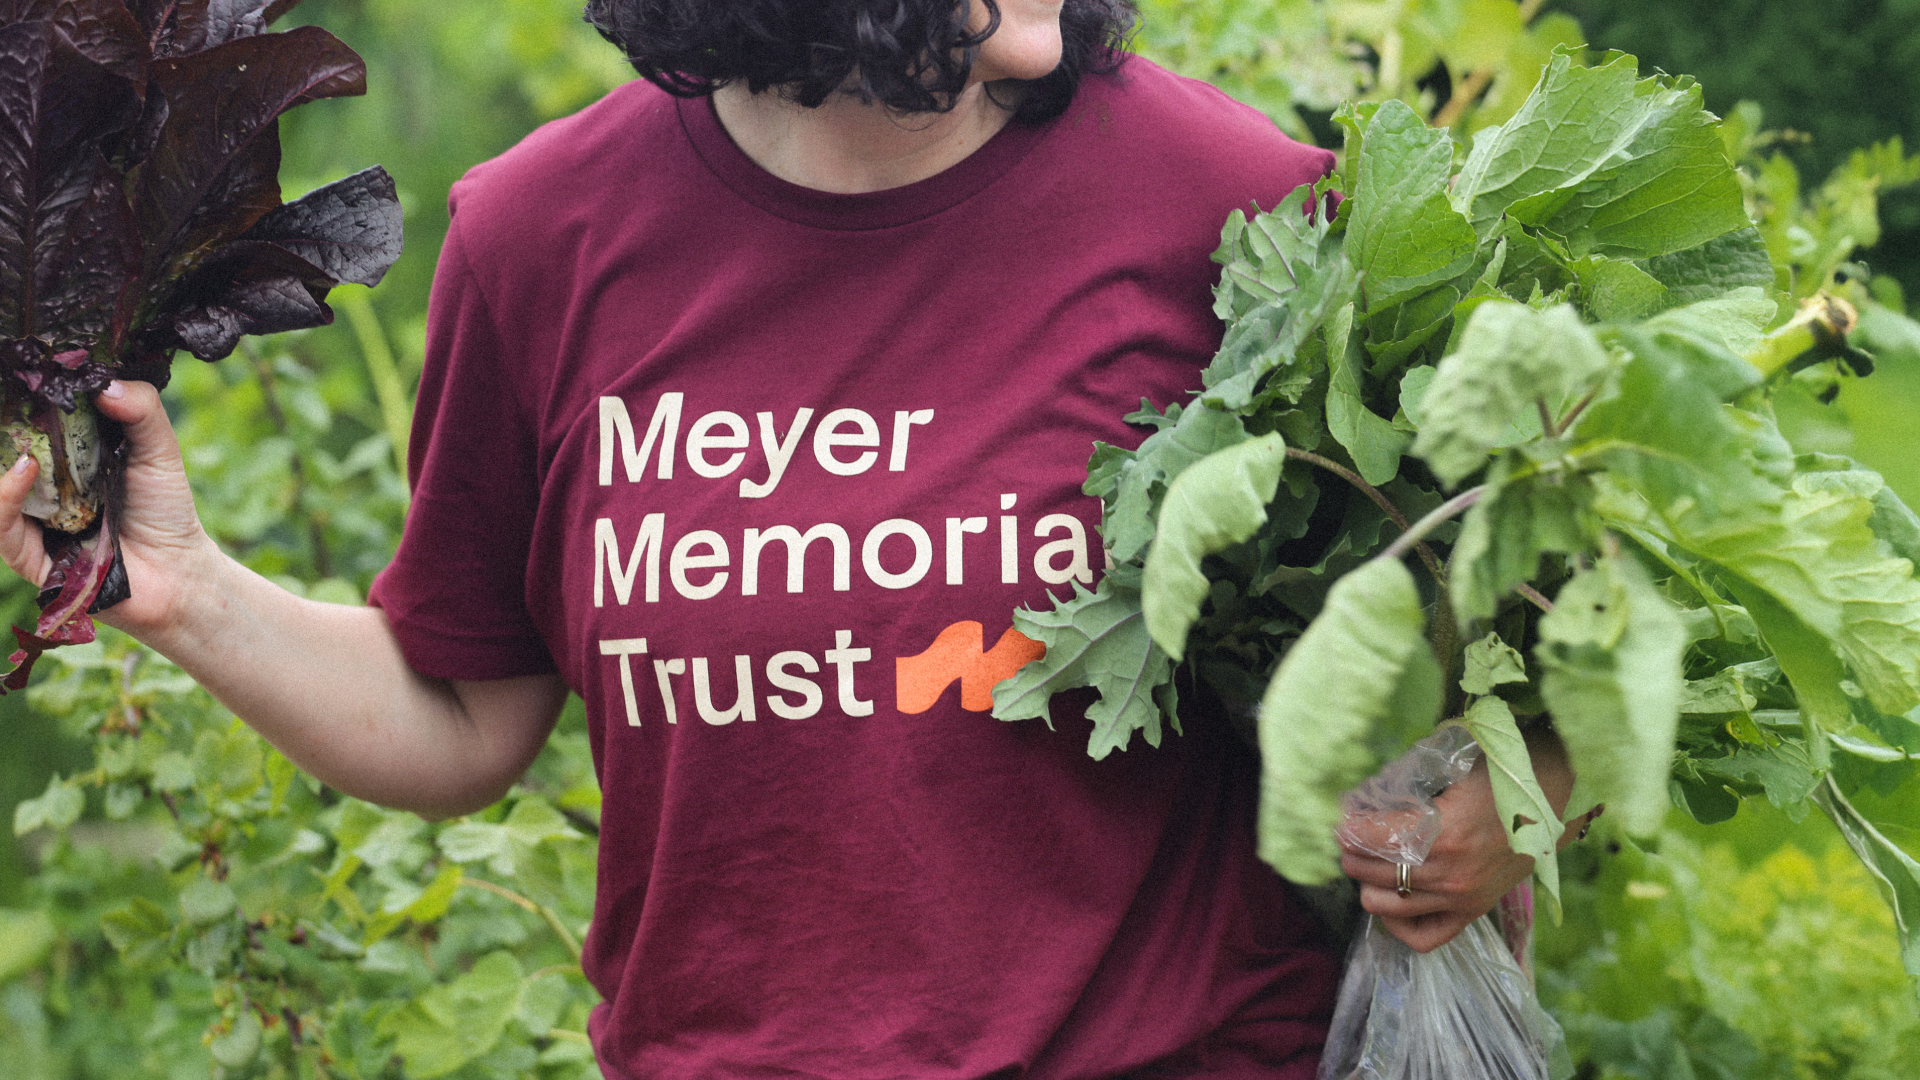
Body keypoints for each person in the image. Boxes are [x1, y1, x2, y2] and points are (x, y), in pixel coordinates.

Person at [0, 1, 1592, 1076]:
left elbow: (1550, 626)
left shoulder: (1246, 208)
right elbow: (465, 712)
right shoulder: (542, 239)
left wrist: (1509, 798)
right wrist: (183, 593)